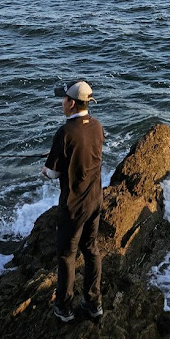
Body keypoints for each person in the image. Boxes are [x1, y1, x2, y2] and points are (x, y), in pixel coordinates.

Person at [42, 80, 105, 322]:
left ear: (71, 103)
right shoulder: (97, 126)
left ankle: (64, 308)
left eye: (63, 99)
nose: (61, 103)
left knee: (68, 255)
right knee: (91, 250)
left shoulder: (65, 132)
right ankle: (94, 303)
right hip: (95, 200)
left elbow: (53, 173)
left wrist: (45, 170)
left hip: (73, 205)